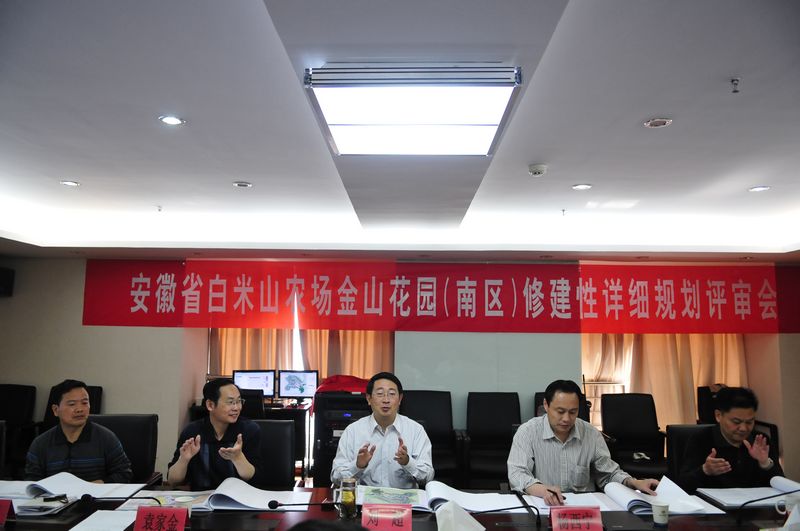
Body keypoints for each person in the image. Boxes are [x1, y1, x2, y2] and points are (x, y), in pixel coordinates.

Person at [508, 380, 658, 506]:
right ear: (546, 405)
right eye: (560, 411)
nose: (566, 419)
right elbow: (517, 473)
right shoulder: (527, 432)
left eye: (573, 412)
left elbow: (608, 474)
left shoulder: (591, 434)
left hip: (584, 511)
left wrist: (634, 483)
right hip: (543, 507)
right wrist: (542, 490)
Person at [331, 372, 433, 488]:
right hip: (364, 498)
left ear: (400, 399)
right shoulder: (353, 431)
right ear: (369, 398)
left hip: (404, 499)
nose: (386, 400)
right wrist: (358, 465)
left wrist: (408, 462)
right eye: (380, 394)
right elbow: (335, 477)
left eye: (392, 394)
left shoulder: (416, 431)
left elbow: (428, 476)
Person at [677, 386, 783, 493]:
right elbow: (682, 485)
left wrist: (765, 463)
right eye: (736, 422)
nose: (743, 428)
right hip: (713, 503)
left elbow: (783, 486)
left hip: (757, 502)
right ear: (718, 416)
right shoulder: (701, 439)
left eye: (749, 422)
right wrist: (704, 470)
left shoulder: (760, 441)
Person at [25, 379, 132, 483]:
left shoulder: (106, 438)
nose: (80, 409)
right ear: (56, 410)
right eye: (72, 404)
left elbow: (124, 474)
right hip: (54, 495)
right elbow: (32, 481)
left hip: (94, 494)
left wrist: (99, 484)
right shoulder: (40, 443)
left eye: (84, 403)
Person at [166, 378, 261, 490]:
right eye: (230, 402)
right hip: (201, 497)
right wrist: (184, 460)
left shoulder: (249, 430)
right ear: (210, 405)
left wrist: (238, 458)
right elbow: (172, 481)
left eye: (239, 401)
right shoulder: (192, 431)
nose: (236, 407)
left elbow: (254, 477)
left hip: (238, 496)